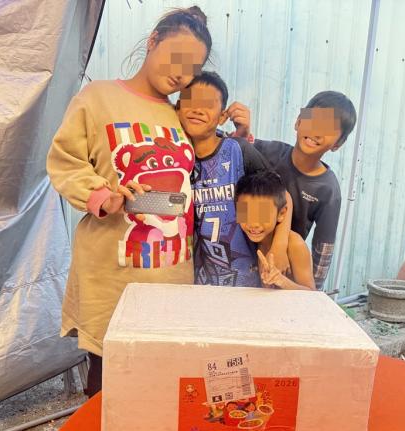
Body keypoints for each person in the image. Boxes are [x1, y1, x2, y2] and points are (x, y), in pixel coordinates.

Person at [46, 6, 212, 397]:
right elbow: (64, 161)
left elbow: (210, 163)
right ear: (153, 41)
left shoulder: (180, 116)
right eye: (177, 58)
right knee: (108, 390)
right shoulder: (98, 98)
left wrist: (240, 136)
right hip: (113, 276)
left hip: (172, 275)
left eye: (192, 69)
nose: (181, 75)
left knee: (159, 388)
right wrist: (102, 196)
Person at [176, 71, 291, 287]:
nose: (198, 109)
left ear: (222, 117)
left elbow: (282, 195)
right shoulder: (177, 158)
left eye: (208, 104)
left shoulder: (238, 150)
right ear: (178, 108)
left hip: (247, 277)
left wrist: (279, 245)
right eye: (191, 101)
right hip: (203, 281)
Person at [236, 92, 357, 290]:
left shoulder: (328, 189)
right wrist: (242, 133)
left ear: (338, 144)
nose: (317, 131)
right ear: (298, 122)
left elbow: (323, 249)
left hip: (287, 269)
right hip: (248, 258)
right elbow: (235, 148)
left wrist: (311, 290)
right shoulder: (269, 153)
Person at [235, 170, 315, 290]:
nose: (253, 224)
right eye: (246, 214)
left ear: (281, 213)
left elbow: (312, 294)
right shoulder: (248, 240)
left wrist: (282, 281)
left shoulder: (295, 244)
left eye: (262, 214)